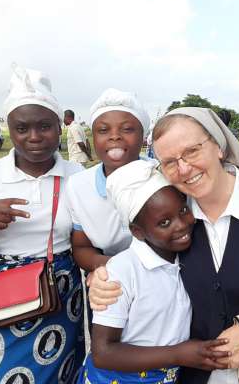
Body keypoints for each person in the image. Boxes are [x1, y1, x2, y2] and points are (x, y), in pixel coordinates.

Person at [88, 107, 239, 383]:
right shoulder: (177, 220)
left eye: (192, 151)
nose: (183, 169)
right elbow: (141, 264)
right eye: (170, 162)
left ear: (218, 146)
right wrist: (101, 277)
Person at [0, 64, 85, 383]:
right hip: (6, 299)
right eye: (22, 128)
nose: (34, 137)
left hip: (61, 297)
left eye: (44, 126)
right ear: (9, 129)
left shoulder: (77, 178)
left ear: (59, 127)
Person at [78, 159, 229, 383]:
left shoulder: (188, 254)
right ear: (138, 232)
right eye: (165, 222)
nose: (181, 225)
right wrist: (178, 354)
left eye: (184, 210)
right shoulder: (122, 271)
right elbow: (103, 352)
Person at [65, 88, 149, 334]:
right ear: (92, 138)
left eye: (127, 129)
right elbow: (81, 248)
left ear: (143, 136)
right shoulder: (80, 186)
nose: (115, 137)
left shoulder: (161, 177)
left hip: (162, 281)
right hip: (108, 284)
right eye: (103, 130)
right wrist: (110, 268)